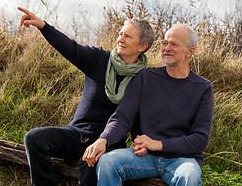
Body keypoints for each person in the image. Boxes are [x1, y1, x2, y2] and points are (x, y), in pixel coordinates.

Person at [17, 7, 155, 186]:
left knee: (89, 161)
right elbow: (70, 48)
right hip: (76, 134)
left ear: (142, 46)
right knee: (34, 138)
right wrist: (43, 26)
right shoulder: (98, 59)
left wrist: (142, 144)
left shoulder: (144, 80)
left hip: (109, 143)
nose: (120, 39)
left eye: (128, 36)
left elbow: (140, 119)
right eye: (120, 33)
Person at [83, 24, 214, 186]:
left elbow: (200, 139)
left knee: (190, 177)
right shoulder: (146, 78)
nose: (167, 48)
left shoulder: (202, 88)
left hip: (181, 161)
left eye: (174, 44)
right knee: (108, 162)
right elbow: (122, 117)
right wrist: (103, 140)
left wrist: (158, 145)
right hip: (142, 157)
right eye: (165, 43)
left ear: (190, 51)